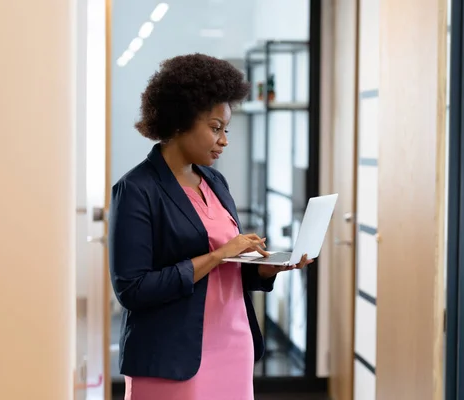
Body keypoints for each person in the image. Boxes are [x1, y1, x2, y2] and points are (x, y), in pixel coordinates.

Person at [108, 54, 313, 400]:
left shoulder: (215, 182)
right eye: (215, 128)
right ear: (178, 122)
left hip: (233, 343)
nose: (224, 140)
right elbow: (133, 289)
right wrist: (217, 255)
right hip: (173, 357)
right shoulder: (136, 190)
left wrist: (265, 269)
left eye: (225, 129)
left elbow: (229, 273)